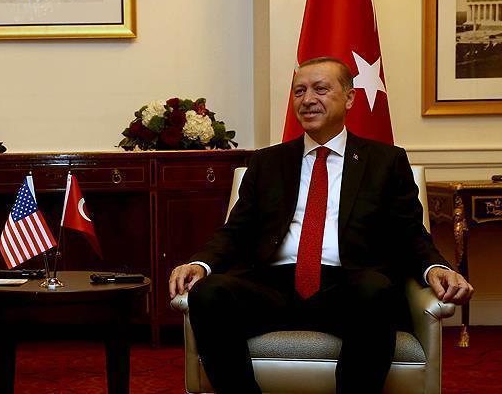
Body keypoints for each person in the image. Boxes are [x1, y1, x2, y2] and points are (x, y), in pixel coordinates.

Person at [168, 57, 474, 394]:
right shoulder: (267, 162)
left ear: (349, 98)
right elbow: (236, 230)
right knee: (209, 293)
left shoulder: (385, 161)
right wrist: (200, 263)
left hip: (347, 288)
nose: (307, 99)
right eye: (299, 91)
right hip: (273, 287)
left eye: (320, 89)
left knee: (376, 289)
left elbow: (410, 233)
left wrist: (435, 267)